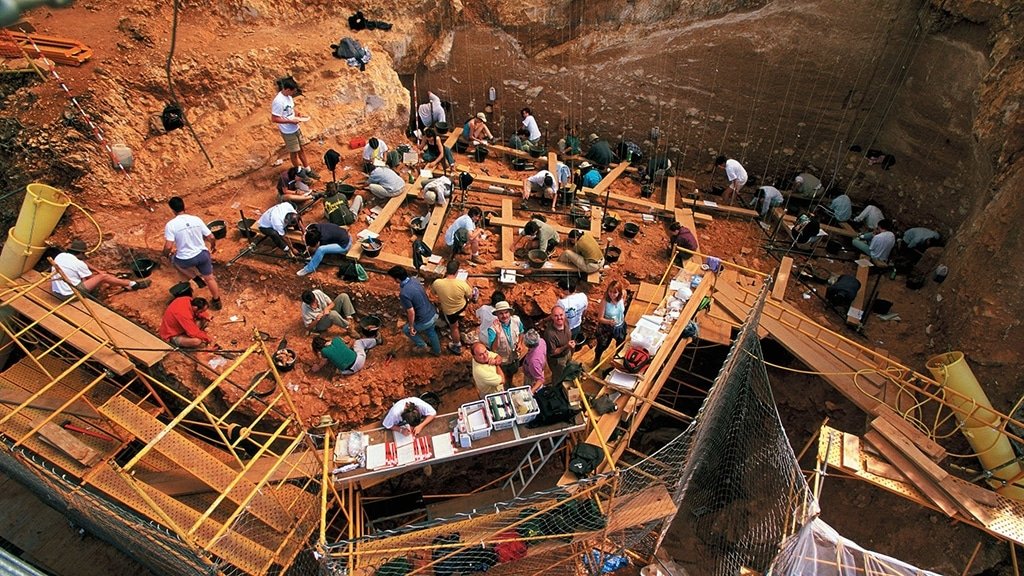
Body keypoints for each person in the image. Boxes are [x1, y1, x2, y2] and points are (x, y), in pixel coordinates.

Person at [163, 196, 222, 309]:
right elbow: (211, 237)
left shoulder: (171, 225)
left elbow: (168, 246)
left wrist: (166, 255)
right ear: (184, 206)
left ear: (172, 210)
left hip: (185, 259)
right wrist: (213, 246)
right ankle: (217, 301)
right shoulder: (196, 219)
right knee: (210, 278)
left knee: (174, 260)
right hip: (202, 255)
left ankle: (195, 278)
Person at [50, 239, 150, 300]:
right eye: (83, 253)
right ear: (80, 253)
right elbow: (91, 278)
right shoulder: (79, 264)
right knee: (103, 277)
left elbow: (82, 262)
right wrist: (103, 276)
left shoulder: (61, 256)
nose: (84, 255)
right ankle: (132, 284)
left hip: (56, 292)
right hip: (69, 295)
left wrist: (98, 271)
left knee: (96, 276)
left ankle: (120, 282)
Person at [388, 266, 442, 356]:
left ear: (397, 279)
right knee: (431, 331)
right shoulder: (414, 280)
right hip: (433, 313)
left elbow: (411, 312)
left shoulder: (404, 293)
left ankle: (422, 345)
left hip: (424, 320)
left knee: (406, 330)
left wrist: (411, 326)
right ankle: (437, 351)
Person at [270, 78, 316, 178]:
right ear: (287, 90)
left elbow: (290, 108)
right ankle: (299, 171)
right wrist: (290, 121)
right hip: (287, 131)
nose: (293, 93)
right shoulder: (278, 102)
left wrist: (297, 113)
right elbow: (274, 118)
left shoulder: (288, 97)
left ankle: (307, 169)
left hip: (295, 128)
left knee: (301, 149)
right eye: (292, 91)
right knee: (294, 152)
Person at [431, 259, 476, 354]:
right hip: (462, 306)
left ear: (446, 270)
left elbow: (433, 293)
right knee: (454, 328)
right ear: (457, 272)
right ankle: (457, 345)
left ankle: (457, 345)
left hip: (449, 311)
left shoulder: (437, 283)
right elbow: (469, 296)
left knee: (454, 327)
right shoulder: (462, 284)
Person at [487, 301, 524, 381]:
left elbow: (521, 332)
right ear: (497, 315)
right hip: (502, 362)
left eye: (506, 312)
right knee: (502, 378)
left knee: (512, 373)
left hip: (515, 357)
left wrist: (520, 343)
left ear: (510, 312)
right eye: (501, 313)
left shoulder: (516, 321)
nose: (504, 316)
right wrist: (498, 334)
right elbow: (493, 349)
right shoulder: (492, 329)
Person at [311, 333, 380, 376]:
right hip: (360, 359)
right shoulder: (336, 339)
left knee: (333, 368)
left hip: (350, 370)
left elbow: (322, 363)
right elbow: (344, 344)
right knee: (358, 342)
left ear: (318, 349)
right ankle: (376, 341)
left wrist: (317, 367)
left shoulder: (324, 351)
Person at [593, 281, 627, 366]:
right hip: (607, 327)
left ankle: (617, 357)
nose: (612, 294)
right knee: (602, 345)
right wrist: (609, 322)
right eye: (610, 291)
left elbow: (622, 304)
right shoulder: (605, 302)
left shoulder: (623, 295)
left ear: (619, 293)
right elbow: (600, 318)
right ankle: (597, 359)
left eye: (615, 292)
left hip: (620, 326)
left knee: (620, 343)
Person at [543, 304, 575, 385]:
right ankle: (556, 388)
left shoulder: (566, 322)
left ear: (564, 315)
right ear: (552, 317)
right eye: (556, 316)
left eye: (561, 315)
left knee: (567, 370)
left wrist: (570, 348)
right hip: (558, 360)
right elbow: (553, 352)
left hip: (567, 353)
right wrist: (566, 346)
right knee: (558, 377)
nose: (559, 318)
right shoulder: (550, 334)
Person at [521, 329, 548, 393]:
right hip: (539, 368)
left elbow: (540, 380)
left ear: (527, 344)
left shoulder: (533, 362)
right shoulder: (541, 341)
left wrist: (531, 392)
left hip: (533, 379)